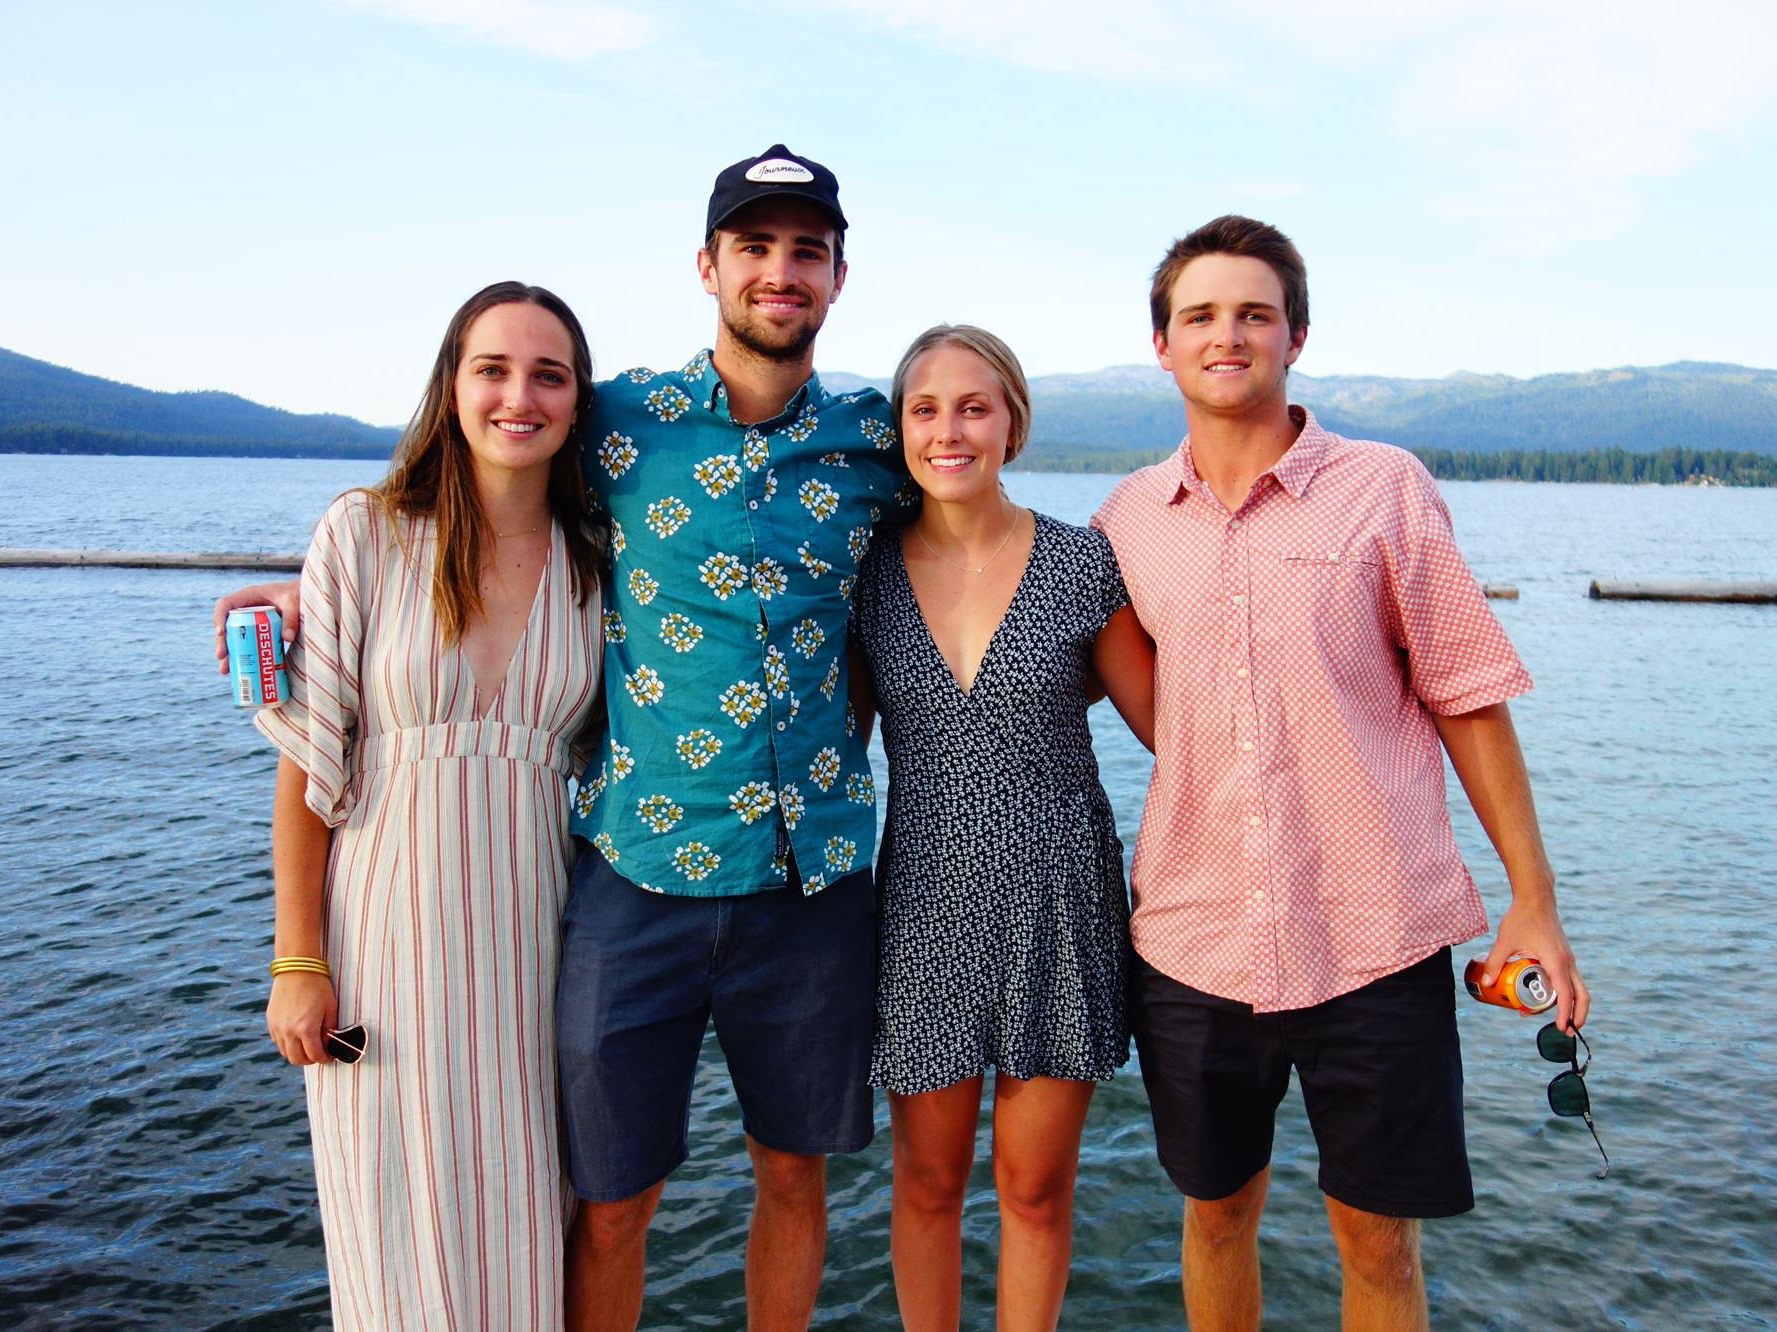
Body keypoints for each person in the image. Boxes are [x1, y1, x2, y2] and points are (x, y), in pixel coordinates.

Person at [215, 146, 908, 1331]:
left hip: (813, 880)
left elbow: (957, 531)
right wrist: (312, 593)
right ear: (707, 266)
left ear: (839, 276)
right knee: (609, 1199)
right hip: (632, 875)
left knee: (793, 1177)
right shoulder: (617, 420)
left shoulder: (875, 442)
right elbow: (483, 475)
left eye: (806, 251)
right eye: (753, 246)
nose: (779, 272)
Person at [1090, 215, 1591, 1332]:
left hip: (1374, 935)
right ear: (1161, 345)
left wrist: (1534, 898)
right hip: (1194, 939)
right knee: (1215, 1215)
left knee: (1377, 1243)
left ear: (1297, 335)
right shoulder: (1125, 522)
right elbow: (1159, 715)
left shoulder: (1384, 489)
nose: (1227, 336)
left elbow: (1465, 694)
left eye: (1253, 314)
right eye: (1199, 316)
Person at [252, 280, 605, 1331]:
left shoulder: (599, 564)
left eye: (548, 375)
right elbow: (307, 769)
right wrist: (297, 961)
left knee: (528, 1227)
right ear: (451, 386)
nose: (518, 397)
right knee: (392, 1239)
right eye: (492, 369)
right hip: (383, 950)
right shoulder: (364, 536)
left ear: (577, 402)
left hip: (536, 952)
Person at [846, 324, 1152, 1330]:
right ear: (900, 430)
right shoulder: (867, 576)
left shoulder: (1081, 563)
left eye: (973, 408)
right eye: (924, 409)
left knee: (1034, 1191)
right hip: (923, 909)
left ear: (1011, 425)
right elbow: (836, 750)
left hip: (1060, 905)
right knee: (929, 1185)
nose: (949, 431)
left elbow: (1176, 734)